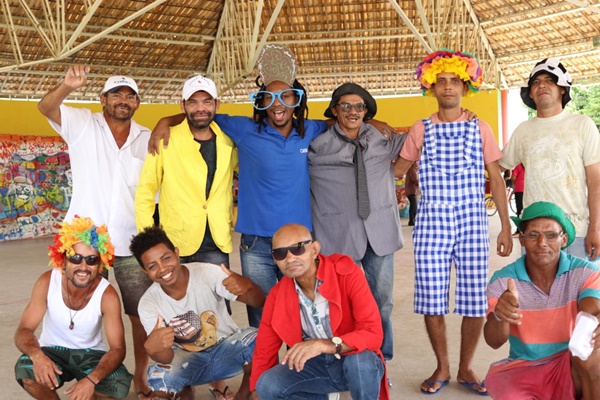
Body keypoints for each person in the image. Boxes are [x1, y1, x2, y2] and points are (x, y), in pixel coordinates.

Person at [148, 44, 394, 328]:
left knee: (305, 312)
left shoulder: (311, 130)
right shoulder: (244, 129)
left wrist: (373, 120)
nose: (278, 104)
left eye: (285, 96)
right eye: (270, 97)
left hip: (300, 241)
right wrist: (165, 120)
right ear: (261, 101)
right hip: (256, 243)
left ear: (296, 100)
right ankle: (264, 358)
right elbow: (202, 114)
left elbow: (341, 121)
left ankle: (303, 357)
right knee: (262, 315)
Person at [393, 49, 513, 395]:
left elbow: (496, 179)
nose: (448, 87)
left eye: (455, 81)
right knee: (431, 298)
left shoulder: (480, 127)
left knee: (474, 298)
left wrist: (506, 227)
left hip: (472, 221)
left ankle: (466, 368)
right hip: (431, 221)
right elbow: (396, 171)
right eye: (441, 81)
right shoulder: (421, 128)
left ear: (465, 87)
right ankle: (442, 366)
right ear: (431, 87)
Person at [37, 65, 154, 398]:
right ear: (103, 99)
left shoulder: (147, 139)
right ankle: (84, 372)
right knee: (78, 306)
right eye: (116, 94)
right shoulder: (82, 124)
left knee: (139, 314)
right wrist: (67, 85)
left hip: (132, 241)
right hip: (84, 242)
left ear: (137, 103)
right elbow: (46, 107)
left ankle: (142, 376)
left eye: (129, 95)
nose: (123, 100)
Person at [308, 82, 405, 363]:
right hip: (338, 235)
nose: (353, 111)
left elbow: (417, 141)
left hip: (380, 233)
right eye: (346, 106)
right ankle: (345, 356)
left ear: (366, 111)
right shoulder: (317, 145)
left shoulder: (382, 137)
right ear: (334, 111)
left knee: (382, 301)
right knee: (342, 303)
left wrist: (402, 168)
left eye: (359, 107)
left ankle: (381, 358)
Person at [250, 223, 388, 400]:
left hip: (352, 358)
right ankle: (327, 396)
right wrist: (256, 391)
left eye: (297, 248)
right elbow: (265, 348)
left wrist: (323, 345)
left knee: (360, 363)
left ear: (314, 249)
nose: (290, 258)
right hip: (315, 365)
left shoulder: (347, 274)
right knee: (266, 385)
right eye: (280, 253)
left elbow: (373, 334)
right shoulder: (277, 295)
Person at [130, 226, 265, 400]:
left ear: (176, 253)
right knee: (158, 381)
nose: (163, 268)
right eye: (152, 266)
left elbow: (259, 301)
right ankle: (186, 392)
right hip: (189, 362)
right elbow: (166, 358)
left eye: (166, 258)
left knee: (261, 341)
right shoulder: (148, 303)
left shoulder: (207, 272)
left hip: (227, 351)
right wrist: (154, 350)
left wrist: (247, 286)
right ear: (144, 270)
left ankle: (242, 396)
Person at [484, 201, 600, 399]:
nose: (542, 243)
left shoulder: (584, 272)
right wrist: (500, 315)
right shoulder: (503, 281)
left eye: (551, 235)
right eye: (533, 235)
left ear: (564, 239)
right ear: (522, 239)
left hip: (569, 364)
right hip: (524, 367)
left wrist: (596, 322)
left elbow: (592, 313)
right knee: (506, 390)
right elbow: (493, 341)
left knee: (593, 354)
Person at [14, 216, 132, 399]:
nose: (83, 267)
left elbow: (118, 349)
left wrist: (91, 380)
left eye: (91, 260)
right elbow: (24, 330)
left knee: (118, 383)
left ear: (100, 263)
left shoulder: (107, 295)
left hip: (91, 354)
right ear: (63, 259)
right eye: (75, 258)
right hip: (51, 350)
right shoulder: (47, 282)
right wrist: (37, 356)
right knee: (26, 370)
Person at [500, 58, 600, 260]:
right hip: (534, 234)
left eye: (549, 81)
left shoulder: (582, 124)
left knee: (581, 282)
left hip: (576, 232)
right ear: (530, 93)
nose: (542, 85)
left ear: (562, 89)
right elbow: (496, 167)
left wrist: (595, 228)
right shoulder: (523, 130)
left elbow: (595, 181)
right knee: (533, 283)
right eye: (536, 82)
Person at [135, 75, 237, 267]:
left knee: (216, 288)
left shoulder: (228, 140)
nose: (200, 108)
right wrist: (149, 240)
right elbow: (145, 192)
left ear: (217, 104)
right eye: (193, 102)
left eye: (207, 101)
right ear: (182, 106)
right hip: (175, 242)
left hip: (217, 242)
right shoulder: (165, 140)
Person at [404, 161, 419, 226]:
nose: (417, 165)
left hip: (410, 190)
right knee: (414, 206)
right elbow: (415, 181)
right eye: (417, 163)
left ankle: (412, 220)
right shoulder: (412, 170)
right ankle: (412, 220)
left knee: (413, 206)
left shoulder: (412, 169)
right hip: (411, 191)